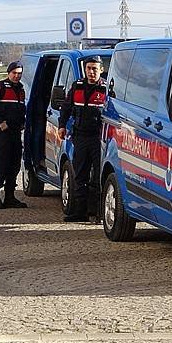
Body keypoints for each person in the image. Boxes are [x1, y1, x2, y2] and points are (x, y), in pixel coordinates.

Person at [58, 56, 107, 222]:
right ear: (85, 70)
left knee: (98, 177)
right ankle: (80, 212)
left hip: (98, 139)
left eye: (95, 68)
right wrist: (62, 125)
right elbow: (66, 107)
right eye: (88, 68)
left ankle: (98, 213)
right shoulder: (77, 86)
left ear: (101, 70)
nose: (91, 72)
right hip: (80, 137)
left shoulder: (106, 89)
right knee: (80, 175)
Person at [0, 61, 28, 209]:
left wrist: (22, 122)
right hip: (2, 134)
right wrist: (0, 121)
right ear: (8, 73)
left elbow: (21, 109)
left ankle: (10, 196)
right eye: (14, 73)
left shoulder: (21, 89)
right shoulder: (1, 87)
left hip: (15, 133)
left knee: (15, 165)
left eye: (19, 73)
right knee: (2, 166)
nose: (16, 76)